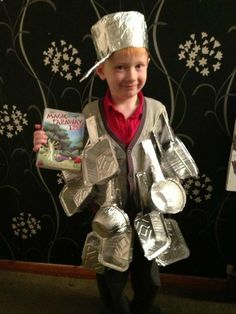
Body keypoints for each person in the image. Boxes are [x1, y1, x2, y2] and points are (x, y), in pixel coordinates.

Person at [33, 11, 197, 314]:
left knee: (150, 279)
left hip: (149, 211)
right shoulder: (90, 113)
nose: (131, 76)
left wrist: (171, 189)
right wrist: (47, 144)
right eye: (120, 67)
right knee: (111, 275)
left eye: (138, 66)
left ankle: (144, 310)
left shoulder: (157, 110)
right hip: (107, 214)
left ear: (148, 64)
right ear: (101, 71)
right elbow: (72, 158)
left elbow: (169, 152)